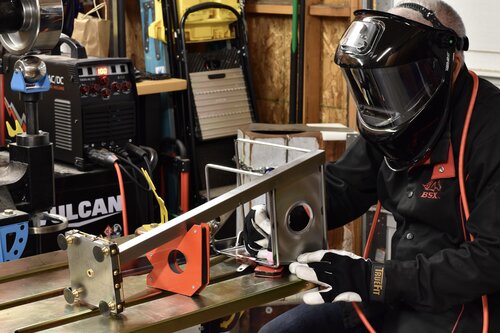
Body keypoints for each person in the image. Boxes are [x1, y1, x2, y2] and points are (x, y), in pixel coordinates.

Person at [259, 0, 500, 332]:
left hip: (465, 308)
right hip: (395, 295)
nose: (388, 98)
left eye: (403, 81)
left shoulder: (491, 131)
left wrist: (373, 279)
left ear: (451, 65)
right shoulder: (396, 119)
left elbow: (491, 260)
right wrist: (283, 215)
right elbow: (343, 187)